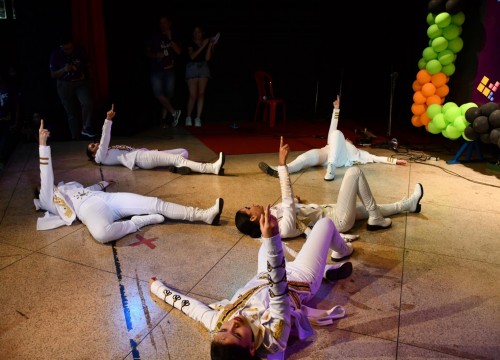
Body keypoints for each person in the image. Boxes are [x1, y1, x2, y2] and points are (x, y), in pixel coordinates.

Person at [150, 204, 353, 359]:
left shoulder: (220, 322)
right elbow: (278, 290)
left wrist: (158, 288)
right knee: (325, 224)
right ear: (251, 348)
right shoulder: (273, 338)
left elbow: (191, 309)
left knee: (264, 235)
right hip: (299, 278)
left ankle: (326, 270)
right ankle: (343, 251)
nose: (232, 324)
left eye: (223, 330)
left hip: (263, 274)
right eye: (236, 334)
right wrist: (272, 241)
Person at [34, 119, 224, 244]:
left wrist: (103, 184)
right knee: (102, 235)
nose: (50, 185)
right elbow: (46, 175)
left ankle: (204, 215)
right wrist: (43, 145)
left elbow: (87, 188)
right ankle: (139, 222)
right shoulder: (47, 199)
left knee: (155, 203)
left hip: (106, 198)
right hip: (89, 211)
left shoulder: (69, 186)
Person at [236, 137, 424, 261]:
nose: (251, 205)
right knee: (354, 172)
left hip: (330, 210)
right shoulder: (281, 229)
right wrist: (282, 166)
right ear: (252, 218)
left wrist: (298, 203)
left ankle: (408, 205)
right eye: (248, 208)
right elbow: (287, 199)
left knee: (370, 206)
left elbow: (291, 204)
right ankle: (376, 219)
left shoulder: (275, 214)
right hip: (338, 220)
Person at [258, 95, 408, 181]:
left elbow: (376, 158)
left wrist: (394, 161)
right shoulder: (334, 141)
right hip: (327, 152)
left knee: (336, 134)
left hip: (338, 160)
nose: (347, 139)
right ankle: (282, 170)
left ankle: (331, 169)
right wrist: (336, 110)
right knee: (305, 158)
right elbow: (332, 129)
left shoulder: (358, 152)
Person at [86, 105, 225, 175]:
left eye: (94, 143)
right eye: (93, 146)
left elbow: (104, 143)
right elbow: (105, 139)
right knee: (178, 159)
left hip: (144, 154)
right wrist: (108, 120)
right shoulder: (100, 157)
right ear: (93, 155)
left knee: (183, 152)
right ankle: (211, 168)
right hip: (142, 158)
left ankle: (176, 168)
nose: (96, 144)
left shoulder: (106, 152)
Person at [49, 37, 95, 140]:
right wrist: (64, 69)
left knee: (87, 102)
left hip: (80, 82)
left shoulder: (80, 50)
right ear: (61, 47)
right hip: (64, 84)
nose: (69, 51)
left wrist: (85, 74)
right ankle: (75, 136)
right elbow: (53, 74)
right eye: (66, 49)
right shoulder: (56, 54)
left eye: (70, 48)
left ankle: (86, 127)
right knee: (71, 111)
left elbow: (87, 64)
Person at [145, 15, 182, 128]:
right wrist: (156, 55)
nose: (163, 25)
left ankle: (164, 120)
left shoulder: (174, 36)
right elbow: (146, 52)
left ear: (169, 23)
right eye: (161, 23)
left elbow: (179, 52)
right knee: (158, 94)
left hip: (169, 70)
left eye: (165, 22)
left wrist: (170, 39)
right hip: (156, 70)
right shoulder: (155, 36)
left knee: (168, 96)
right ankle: (174, 112)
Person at [184, 25, 217, 128]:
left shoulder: (206, 42)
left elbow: (207, 58)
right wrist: (203, 45)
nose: (196, 34)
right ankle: (188, 117)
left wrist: (210, 45)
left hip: (203, 67)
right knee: (192, 95)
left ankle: (198, 118)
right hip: (192, 67)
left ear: (202, 33)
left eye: (198, 32)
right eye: (194, 32)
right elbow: (192, 56)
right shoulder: (190, 42)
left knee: (201, 94)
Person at [0, 66, 20, 171]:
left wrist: (15, 121)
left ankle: (5, 163)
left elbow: (16, 106)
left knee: (5, 145)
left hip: (7, 121)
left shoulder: (8, 88)